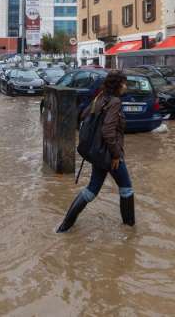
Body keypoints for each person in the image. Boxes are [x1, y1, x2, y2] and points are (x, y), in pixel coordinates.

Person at [57, 70, 134, 232]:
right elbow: (107, 131)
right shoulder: (115, 102)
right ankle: (130, 230)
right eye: (124, 83)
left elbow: (84, 117)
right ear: (118, 84)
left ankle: (64, 227)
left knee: (92, 190)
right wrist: (116, 155)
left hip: (97, 153)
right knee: (126, 188)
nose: (126, 86)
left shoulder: (99, 98)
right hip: (109, 154)